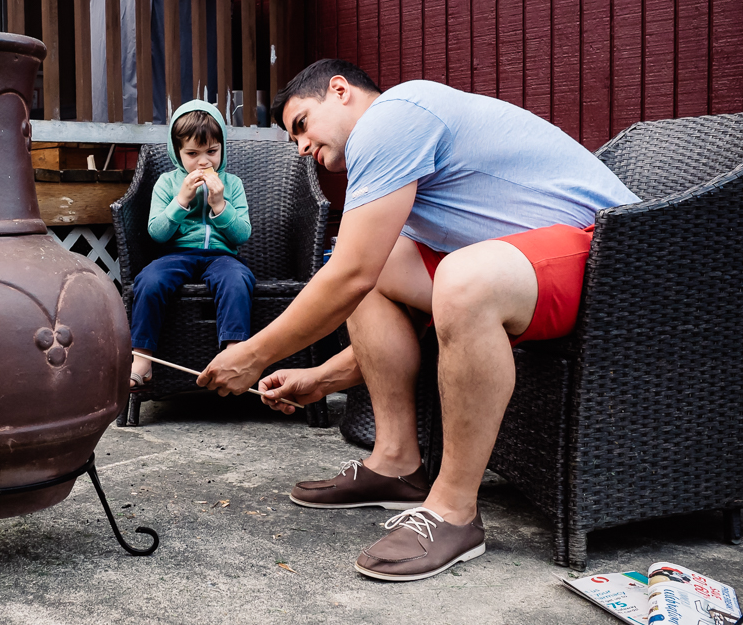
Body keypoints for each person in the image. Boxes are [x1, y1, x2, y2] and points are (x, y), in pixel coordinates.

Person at [195, 59, 639, 581]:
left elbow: (349, 276)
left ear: (340, 92)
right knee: (379, 259)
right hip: (532, 263)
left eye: (301, 126)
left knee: (450, 277)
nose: (301, 148)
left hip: (614, 258)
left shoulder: (393, 116)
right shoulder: (396, 146)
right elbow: (367, 278)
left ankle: (453, 510)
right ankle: (396, 463)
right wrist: (321, 378)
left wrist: (253, 353)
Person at [129, 100, 255, 390]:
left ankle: (234, 353)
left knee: (237, 280)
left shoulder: (232, 184)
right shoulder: (166, 183)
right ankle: (143, 357)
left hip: (222, 256)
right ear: (177, 153)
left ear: (222, 147)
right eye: (192, 154)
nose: (204, 162)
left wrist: (220, 205)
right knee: (149, 280)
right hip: (177, 254)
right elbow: (157, 233)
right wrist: (181, 200)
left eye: (212, 151)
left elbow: (242, 235)